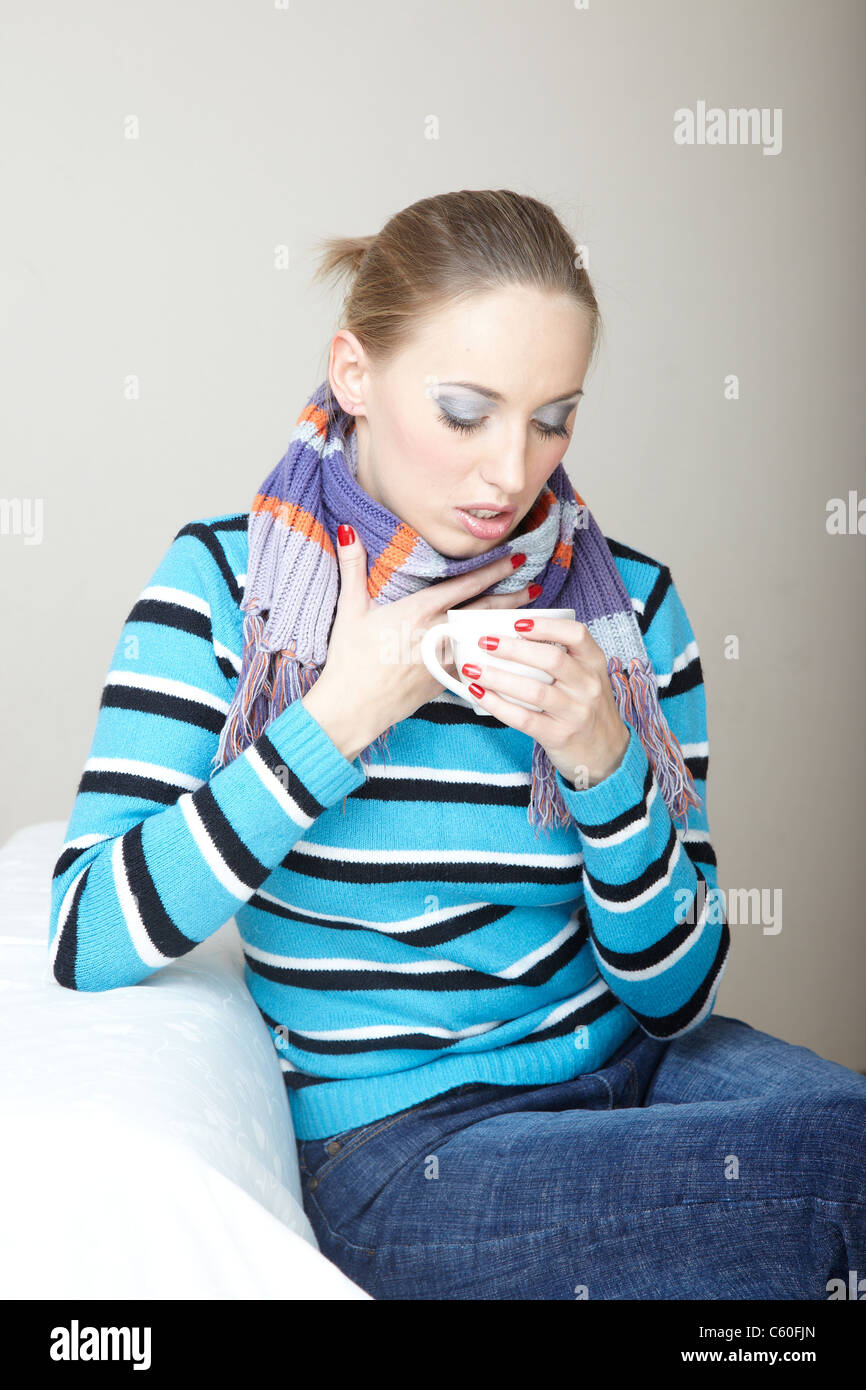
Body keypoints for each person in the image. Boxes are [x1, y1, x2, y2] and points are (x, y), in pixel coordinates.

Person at [48, 189, 865, 1300]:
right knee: (834, 1169)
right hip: (403, 1146)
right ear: (353, 374)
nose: (508, 474)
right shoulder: (223, 588)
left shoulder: (627, 611)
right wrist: (337, 717)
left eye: (552, 418)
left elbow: (678, 999)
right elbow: (85, 931)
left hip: (636, 1065)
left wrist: (604, 765)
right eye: (464, 410)